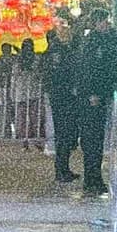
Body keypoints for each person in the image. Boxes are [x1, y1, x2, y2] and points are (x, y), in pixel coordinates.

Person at [74, 4, 117, 199]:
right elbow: (88, 70)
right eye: (103, 21)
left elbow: (116, 62)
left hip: (103, 94)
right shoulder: (91, 43)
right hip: (92, 97)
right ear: (95, 23)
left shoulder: (108, 40)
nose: (106, 24)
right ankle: (91, 178)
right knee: (91, 138)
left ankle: (95, 178)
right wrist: (91, 93)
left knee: (98, 138)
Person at [43, 17, 81, 184]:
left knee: (67, 134)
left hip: (64, 96)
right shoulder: (57, 51)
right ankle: (61, 170)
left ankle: (64, 168)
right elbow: (60, 73)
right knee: (64, 134)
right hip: (62, 96)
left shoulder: (62, 49)